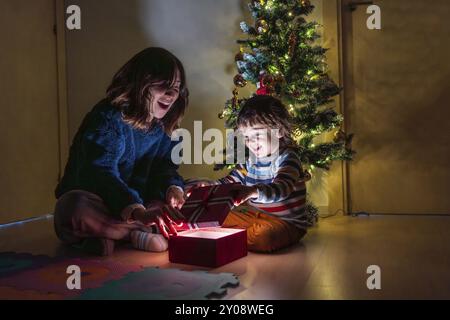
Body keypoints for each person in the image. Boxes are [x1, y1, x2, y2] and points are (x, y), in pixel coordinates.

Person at [54, 47, 188, 256]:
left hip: (140, 207)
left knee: (193, 188)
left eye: (177, 88)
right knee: (72, 208)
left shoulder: (164, 127)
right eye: (164, 85)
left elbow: (165, 169)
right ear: (141, 83)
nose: (171, 94)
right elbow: (100, 173)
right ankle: (138, 232)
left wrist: (173, 189)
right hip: (101, 203)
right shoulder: (108, 118)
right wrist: (137, 212)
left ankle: (110, 236)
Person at [190, 95, 307, 253]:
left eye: (257, 135)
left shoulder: (287, 158)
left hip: (285, 223)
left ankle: (232, 239)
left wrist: (253, 191)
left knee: (262, 237)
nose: (251, 142)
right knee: (212, 217)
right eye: (246, 137)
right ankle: (234, 236)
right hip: (253, 215)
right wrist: (209, 187)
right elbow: (230, 180)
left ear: (278, 131)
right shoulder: (250, 161)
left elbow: (282, 188)